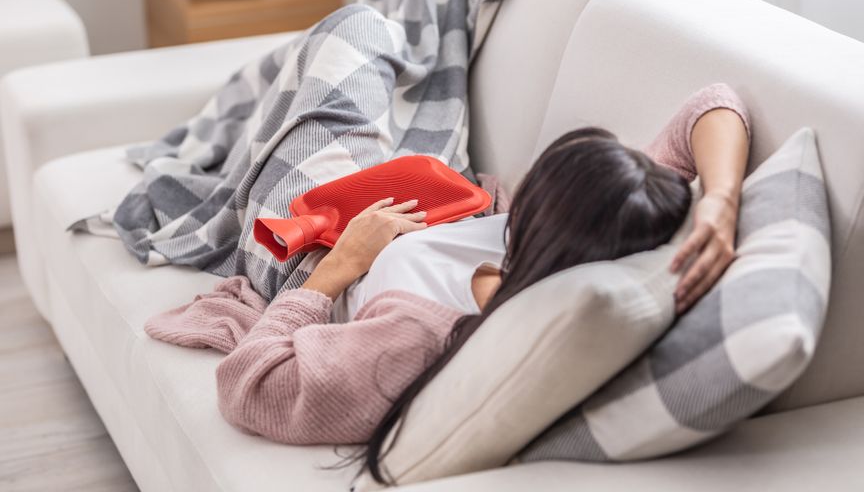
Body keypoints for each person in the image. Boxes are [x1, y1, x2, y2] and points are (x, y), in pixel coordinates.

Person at [145, 83, 750, 476]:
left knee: (350, 40)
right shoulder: (611, 225)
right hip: (425, 193)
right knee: (394, 59)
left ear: (551, 217)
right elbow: (711, 103)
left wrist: (340, 266)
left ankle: (187, 156)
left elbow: (252, 386)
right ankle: (215, 145)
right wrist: (721, 199)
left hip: (310, 240)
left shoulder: (422, 334)